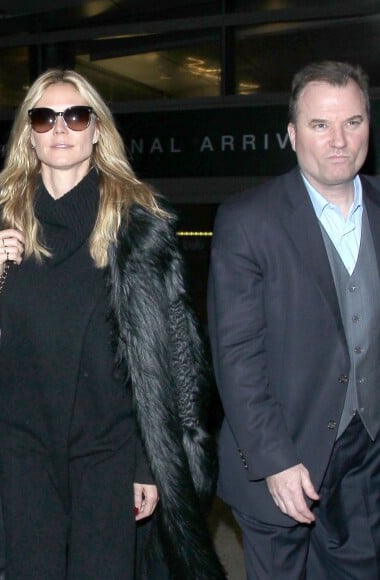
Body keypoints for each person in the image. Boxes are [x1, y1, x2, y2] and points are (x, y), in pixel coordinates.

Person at [0, 69, 224, 579]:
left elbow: (171, 356)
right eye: (45, 117)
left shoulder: (136, 226)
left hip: (109, 444)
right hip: (20, 441)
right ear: (29, 132)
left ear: (96, 130)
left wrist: (148, 464)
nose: (60, 128)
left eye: (76, 115)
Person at [208, 60, 380, 579]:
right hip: (285, 457)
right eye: (319, 125)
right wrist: (275, 462)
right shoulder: (247, 219)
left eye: (352, 122)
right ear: (291, 134)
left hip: (366, 457)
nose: (338, 140)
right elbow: (236, 357)